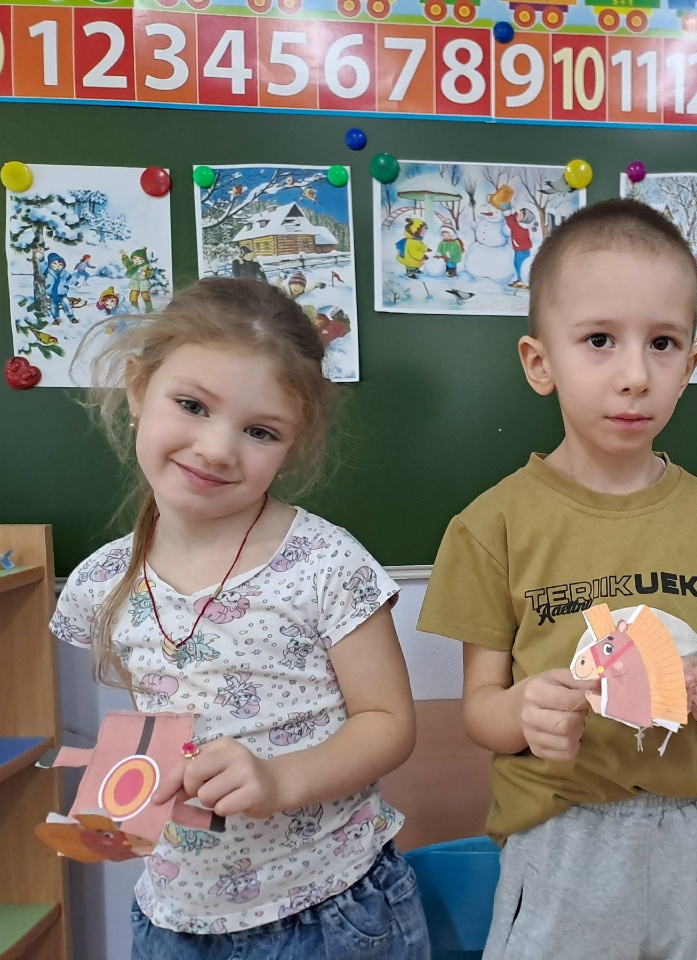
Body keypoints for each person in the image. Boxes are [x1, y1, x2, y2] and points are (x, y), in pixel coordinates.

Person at [418, 198, 697, 960]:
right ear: (540, 363)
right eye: (599, 341)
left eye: (663, 344)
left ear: (691, 366)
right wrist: (524, 711)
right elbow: (481, 711)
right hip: (566, 837)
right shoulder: (491, 526)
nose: (634, 376)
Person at [54, 277, 428, 958]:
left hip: (327, 913)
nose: (218, 448)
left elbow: (389, 723)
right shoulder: (102, 582)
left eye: (259, 431)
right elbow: (162, 728)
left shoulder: (327, 564)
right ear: (138, 389)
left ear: (293, 441)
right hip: (172, 920)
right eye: (192, 405)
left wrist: (280, 780)